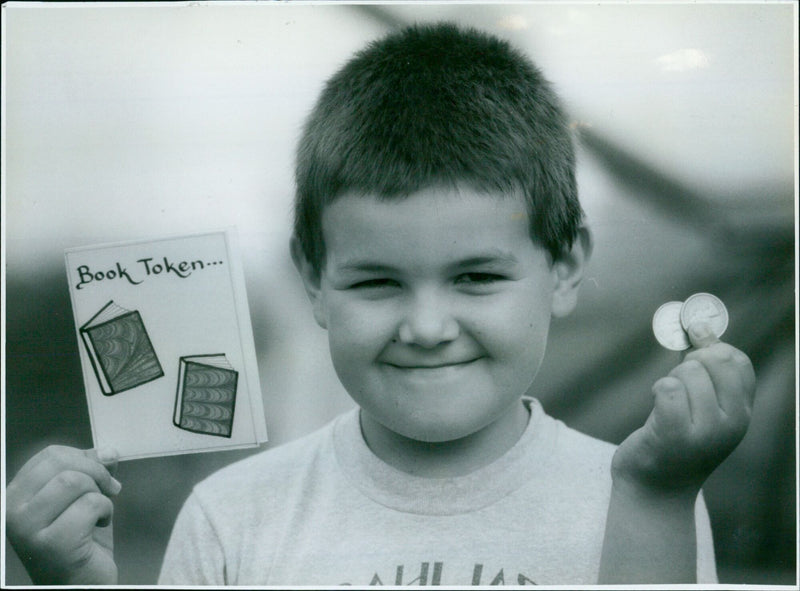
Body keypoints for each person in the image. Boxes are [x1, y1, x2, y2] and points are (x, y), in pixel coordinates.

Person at [6, 23, 755, 586]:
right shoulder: (231, 516)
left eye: (476, 278)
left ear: (564, 267)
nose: (427, 327)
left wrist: (656, 497)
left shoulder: (643, 489)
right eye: (377, 282)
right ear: (315, 283)